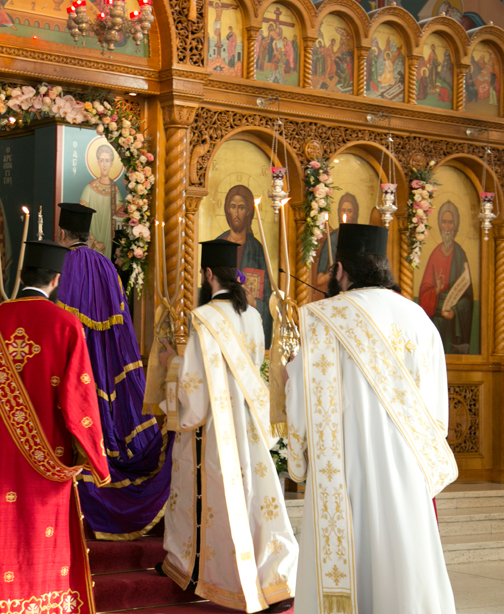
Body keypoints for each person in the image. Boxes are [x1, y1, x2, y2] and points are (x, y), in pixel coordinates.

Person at [286, 224, 457, 614]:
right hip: (405, 473)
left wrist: (288, 378)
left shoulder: (323, 317)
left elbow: (303, 395)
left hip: (347, 469)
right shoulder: (418, 317)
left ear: (341, 269)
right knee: (405, 563)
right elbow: (435, 415)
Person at [0, 239, 110, 614]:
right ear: (56, 279)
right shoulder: (67, 325)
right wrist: (95, 462)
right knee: (43, 541)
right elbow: (79, 403)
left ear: (21, 276)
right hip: (47, 464)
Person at [156, 239, 298, 613]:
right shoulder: (252, 315)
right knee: (254, 496)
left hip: (214, 429)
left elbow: (193, 386)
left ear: (207, 275)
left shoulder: (202, 317)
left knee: (207, 498)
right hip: (248, 422)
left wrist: (172, 363)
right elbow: (255, 365)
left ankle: (196, 568)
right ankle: (270, 577)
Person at [56, 202, 172, 539]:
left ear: (63, 234)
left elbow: (64, 322)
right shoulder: (107, 266)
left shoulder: (64, 263)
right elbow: (122, 324)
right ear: (89, 235)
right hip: (111, 362)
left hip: (78, 363)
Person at [216, 185, 273, 348]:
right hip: (221, 325)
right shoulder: (218, 245)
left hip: (247, 330)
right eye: (233, 207)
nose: (236, 213)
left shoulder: (257, 250)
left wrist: (255, 304)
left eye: (241, 208)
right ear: (227, 210)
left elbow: (268, 296)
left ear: (248, 212)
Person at [418, 201, 473, 354]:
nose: (447, 227)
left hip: (453, 321)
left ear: (455, 226)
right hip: (436, 321)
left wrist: (455, 310)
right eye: (444, 222)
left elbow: (468, 298)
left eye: (450, 223)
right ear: (439, 224)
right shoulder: (435, 254)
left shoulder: (460, 254)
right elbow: (423, 294)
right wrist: (436, 290)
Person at [79, 144, 124, 260]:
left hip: (109, 240)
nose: (104, 165)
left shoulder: (115, 189)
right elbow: (81, 219)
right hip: (92, 242)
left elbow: (121, 216)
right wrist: (94, 242)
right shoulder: (89, 189)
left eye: (107, 161)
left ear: (111, 164)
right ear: (98, 162)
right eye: (102, 160)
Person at [314, 193, 360, 295]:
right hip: (334, 294)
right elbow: (319, 280)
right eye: (343, 210)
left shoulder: (361, 238)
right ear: (339, 212)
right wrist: (335, 271)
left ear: (355, 213)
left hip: (356, 295)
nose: (346, 215)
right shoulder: (332, 239)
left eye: (350, 211)